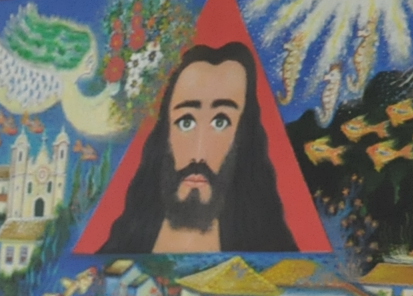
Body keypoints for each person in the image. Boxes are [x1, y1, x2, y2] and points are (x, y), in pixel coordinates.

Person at [101, 41, 297, 255]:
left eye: (220, 122)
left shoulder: (273, 253)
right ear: (165, 131)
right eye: (186, 122)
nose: (198, 154)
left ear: (244, 136)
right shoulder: (125, 248)